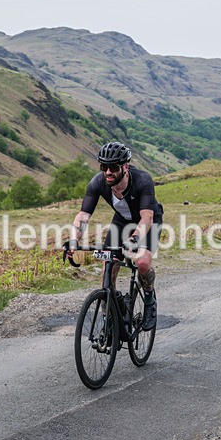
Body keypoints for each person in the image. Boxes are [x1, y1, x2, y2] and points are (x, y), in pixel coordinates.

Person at [68, 142, 163, 331]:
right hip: (121, 222)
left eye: (113, 167)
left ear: (125, 167)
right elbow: (83, 216)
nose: (108, 172)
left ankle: (150, 300)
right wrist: (73, 240)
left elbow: (147, 218)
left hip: (148, 222)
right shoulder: (98, 182)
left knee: (142, 262)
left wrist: (134, 240)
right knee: (108, 267)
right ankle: (110, 314)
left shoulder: (142, 180)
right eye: (104, 167)